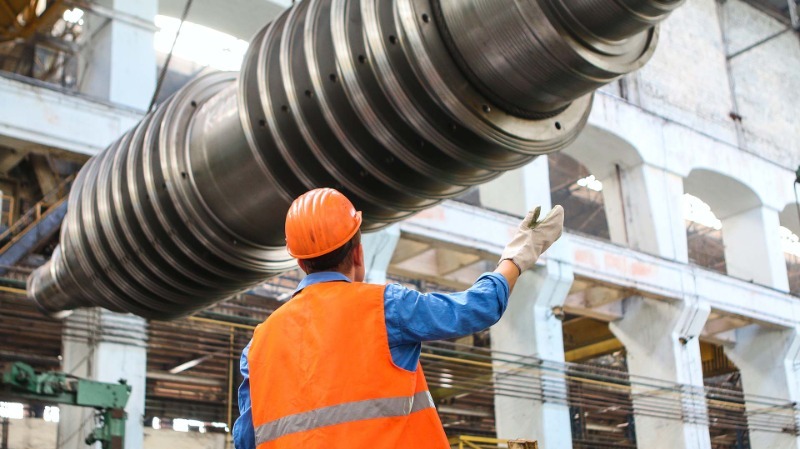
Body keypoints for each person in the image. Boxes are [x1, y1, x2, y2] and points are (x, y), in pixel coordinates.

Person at [233, 188, 564, 449]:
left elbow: (246, 440)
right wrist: (519, 254)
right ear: (358, 252)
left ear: (301, 263)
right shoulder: (385, 306)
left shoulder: (258, 345)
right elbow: (476, 308)